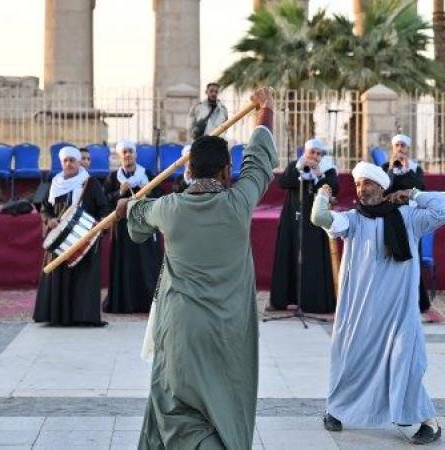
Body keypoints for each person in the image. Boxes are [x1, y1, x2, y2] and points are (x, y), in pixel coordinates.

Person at [115, 88, 276, 449]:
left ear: (187, 170)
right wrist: (265, 111)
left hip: (181, 328)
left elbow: (136, 221)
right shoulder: (239, 202)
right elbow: (260, 159)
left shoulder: (169, 208)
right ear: (226, 170)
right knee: (224, 402)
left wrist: (127, 206)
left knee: (176, 404)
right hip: (228, 330)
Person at [311, 161, 445, 445]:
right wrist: (323, 194)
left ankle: (428, 422)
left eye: (368, 184)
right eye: (359, 184)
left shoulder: (408, 217)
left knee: (406, 364)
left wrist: (412, 195)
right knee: (349, 359)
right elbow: (319, 218)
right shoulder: (353, 219)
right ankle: (336, 409)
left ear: (381, 187)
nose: (362, 190)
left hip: (398, 312)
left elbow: (440, 210)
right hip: (360, 311)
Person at [33, 146, 109, 327]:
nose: (69, 164)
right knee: (58, 275)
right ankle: (57, 316)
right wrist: (49, 220)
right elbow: (45, 209)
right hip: (60, 239)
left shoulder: (90, 183)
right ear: (61, 163)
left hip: (84, 241)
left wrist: (98, 227)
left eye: (72, 160)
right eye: (65, 161)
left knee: (83, 278)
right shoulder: (55, 183)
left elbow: (104, 209)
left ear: (78, 162)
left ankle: (83, 317)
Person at [268, 138, 338, 314]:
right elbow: (283, 182)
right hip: (293, 219)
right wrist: (300, 169)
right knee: (289, 255)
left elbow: (334, 188)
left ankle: (313, 302)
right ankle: (284, 298)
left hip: (314, 223)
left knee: (312, 260)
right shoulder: (296, 165)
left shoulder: (328, 169)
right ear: (305, 153)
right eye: (311, 152)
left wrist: (319, 176)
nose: (314, 156)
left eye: (318, 153)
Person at [102, 140, 163, 314]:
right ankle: (125, 303)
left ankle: (149, 302)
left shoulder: (148, 175)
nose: (127, 155)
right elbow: (105, 201)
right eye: (124, 152)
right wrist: (120, 192)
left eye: (130, 152)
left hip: (145, 227)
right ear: (120, 156)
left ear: (135, 154)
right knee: (125, 267)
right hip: (123, 231)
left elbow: (160, 197)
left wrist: (147, 191)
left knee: (147, 265)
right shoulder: (113, 178)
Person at [382, 133, 431, 313]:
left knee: (412, 258)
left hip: (410, 218)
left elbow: (420, 188)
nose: (400, 149)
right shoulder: (385, 167)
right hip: (390, 216)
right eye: (397, 146)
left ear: (408, 149)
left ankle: (414, 301)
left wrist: (406, 170)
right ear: (393, 148)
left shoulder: (415, 168)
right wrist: (392, 170)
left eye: (403, 146)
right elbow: (385, 187)